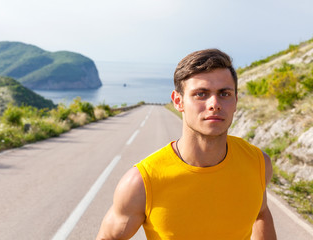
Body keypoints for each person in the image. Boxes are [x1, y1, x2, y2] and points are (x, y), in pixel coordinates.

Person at [96, 49, 277, 240]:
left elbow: (261, 213)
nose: (214, 104)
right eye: (201, 94)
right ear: (178, 101)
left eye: (224, 94)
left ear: (236, 100)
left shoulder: (257, 162)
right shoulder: (141, 182)